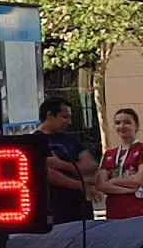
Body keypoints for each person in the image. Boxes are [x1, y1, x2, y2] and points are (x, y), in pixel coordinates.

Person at [39, 96, 101, 228]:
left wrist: (61, 164)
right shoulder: (35, 141)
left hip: (80, 206)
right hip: (53, 206)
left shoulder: (71, 140)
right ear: (50, 116)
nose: (69, 122)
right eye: (64, 117)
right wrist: (81, 185)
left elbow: (91, 166)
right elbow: (47, 173)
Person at [98, 107, 143, 219]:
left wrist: (113, 181)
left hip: (139, 208)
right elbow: (101, 185)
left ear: (136, 126)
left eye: (127, 122)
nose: (122, 126)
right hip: (115, 209)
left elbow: (140, 179)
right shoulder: (108, 154)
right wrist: (128, 189)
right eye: (117, 123)